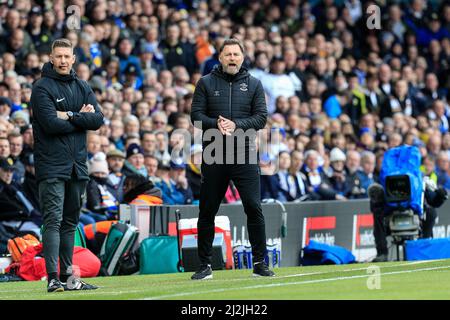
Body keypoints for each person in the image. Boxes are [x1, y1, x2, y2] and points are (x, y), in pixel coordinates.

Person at [190, 38, 274, 279]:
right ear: (220, 57)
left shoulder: (255, 84)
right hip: (214, 154)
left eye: (236, 54)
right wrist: (216, 123)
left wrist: (236, 125)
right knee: (207, 211)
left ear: (243, 57)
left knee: (253, 207)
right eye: (228, 54)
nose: (232, 58)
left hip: (244, 154)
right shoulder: (205, 83)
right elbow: (195, 117)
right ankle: (204, 265)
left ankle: (260, 262)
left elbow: (261, 119)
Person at [30, 39, 103, 292]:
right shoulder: (41, 88)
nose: (62, 60)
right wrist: (80, 117)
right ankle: (52, 278)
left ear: (73, 59)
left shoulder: (82, 85)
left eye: (66, 56)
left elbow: (98, 119)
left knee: (70, 223)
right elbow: (50, 123)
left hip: (77, 166)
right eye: (58, 56)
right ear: (51, 58)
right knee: (53, 220)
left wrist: (70, 115)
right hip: (51, 165)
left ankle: (69, 278)